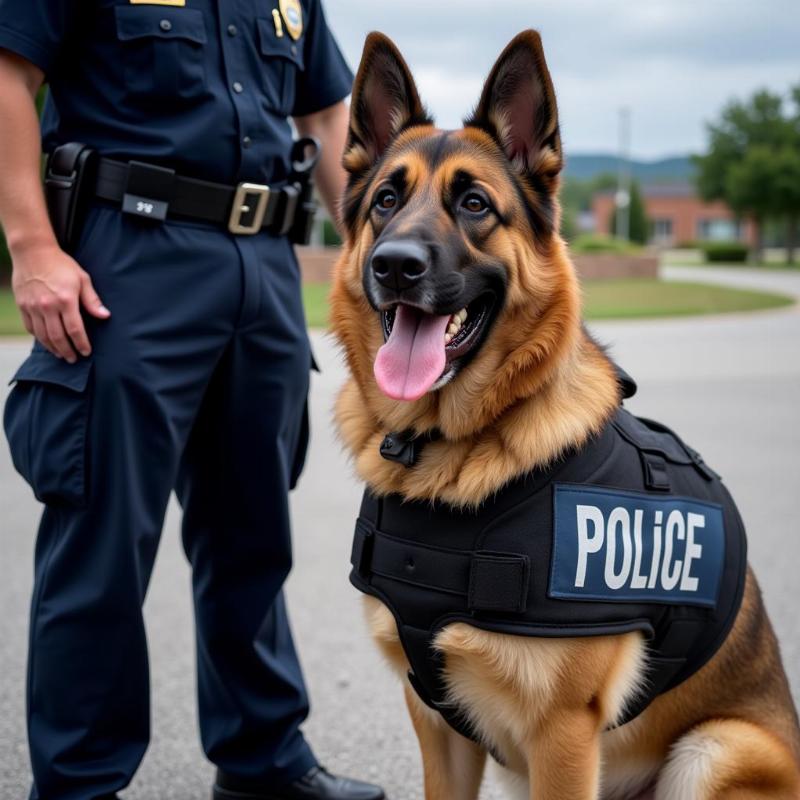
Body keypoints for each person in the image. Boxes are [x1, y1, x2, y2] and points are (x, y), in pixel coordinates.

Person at [0, 2, 384, 799]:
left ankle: (263, 760)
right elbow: (9, 76)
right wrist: (33, 246)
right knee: (100, 545)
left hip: (264, 266)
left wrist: (373, 251)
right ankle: (78, 784)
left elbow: (323, 110)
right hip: (128, 263)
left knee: (253, 536)